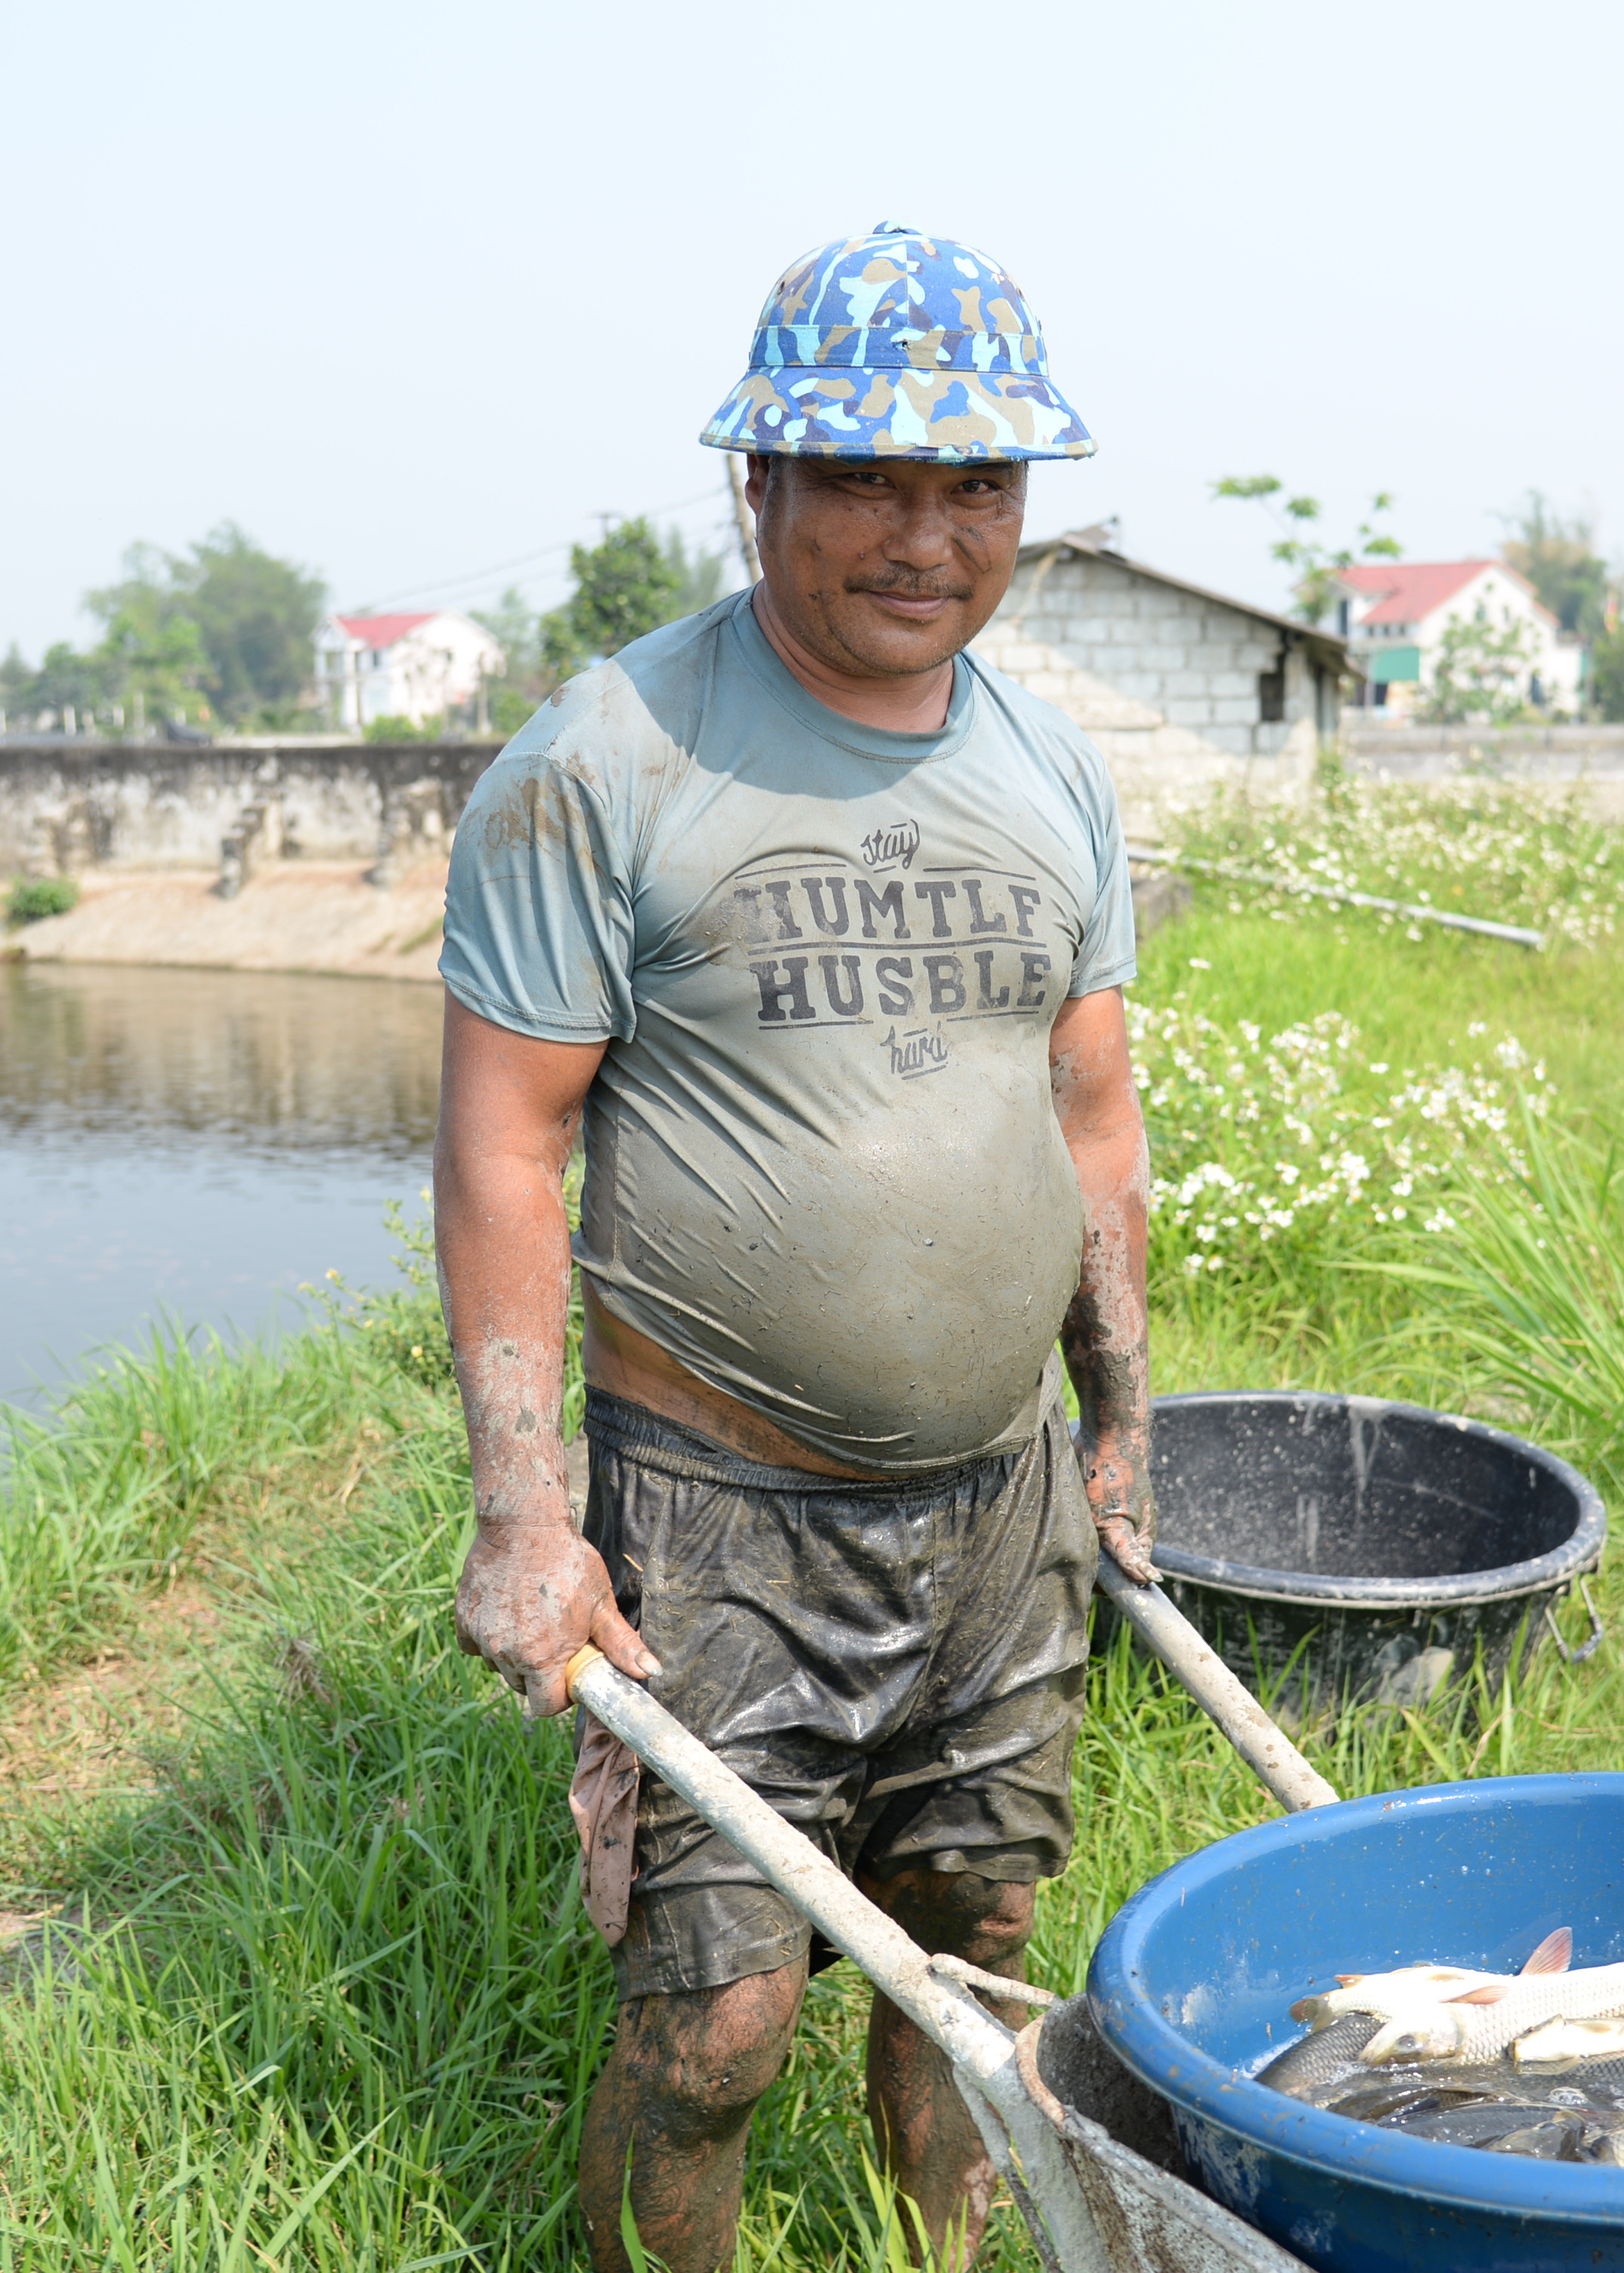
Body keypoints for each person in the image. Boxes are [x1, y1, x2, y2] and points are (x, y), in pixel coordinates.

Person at [428, 225, 1153, 2273]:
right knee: (721, 2016)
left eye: (980, 485)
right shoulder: (606, 763)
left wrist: (1124, 1430)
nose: (931, 537)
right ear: (760, 487)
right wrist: (520, 1509)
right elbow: (504, 1146)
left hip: (1003, 1502)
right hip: (727, 1516)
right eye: (871, 480)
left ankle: (937, 2242)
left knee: (982, 1948)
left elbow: (1091, 1121)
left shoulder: (1050, 766)